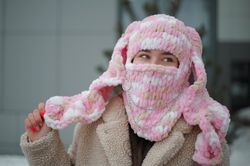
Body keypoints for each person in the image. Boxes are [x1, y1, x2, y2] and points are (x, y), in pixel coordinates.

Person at [20, 14, 230, 166]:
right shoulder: (93, 122)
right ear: (127, 62)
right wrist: (42, 144)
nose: (153, 67)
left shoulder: (204, 135)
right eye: (144, 56)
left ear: (184, 71)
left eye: (167, 59)